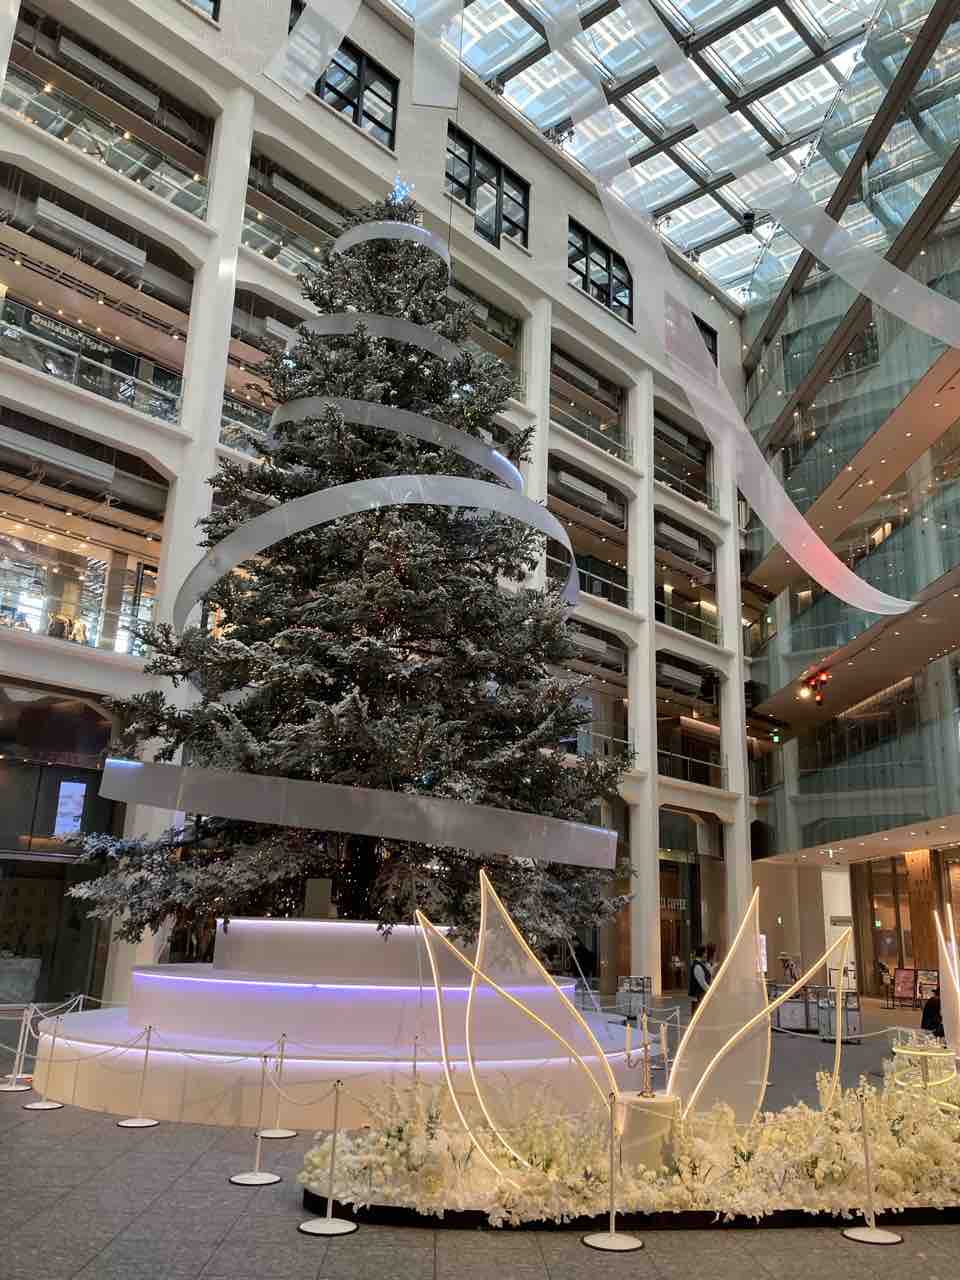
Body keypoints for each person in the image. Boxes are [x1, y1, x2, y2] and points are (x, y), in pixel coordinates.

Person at [688, 945, 710, 1012]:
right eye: (706, 953)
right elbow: (702, 983)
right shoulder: (697, 966)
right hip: (698, 997)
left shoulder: (701, 964)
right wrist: (711, 991)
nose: (706, 955)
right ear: (702, 953)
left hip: (700, 996)